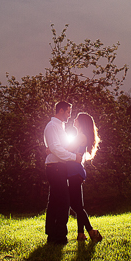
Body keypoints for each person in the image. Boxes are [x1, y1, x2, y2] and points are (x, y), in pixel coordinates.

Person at [43, 101, 81, 244]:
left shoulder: (61, 127)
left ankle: (53, 235)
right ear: (60, 111)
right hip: (55, 168)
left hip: (59, 167)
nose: (69, 115)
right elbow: (56, 149)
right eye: (68, 112)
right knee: (63, 201)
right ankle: (59, 235)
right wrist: (73, 157)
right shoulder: (52, 126)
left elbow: (59, 147)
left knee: (55, 201)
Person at [65, 112, 103, 242]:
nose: (74, 120)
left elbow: (67, 149)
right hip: (74, 172)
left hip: (74, 172)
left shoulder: (81, 136)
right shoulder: (80, 136)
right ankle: (81, 234)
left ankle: (91, 231)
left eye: (76, 118)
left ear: (81, 122)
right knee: (78, 205)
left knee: (73, 204)